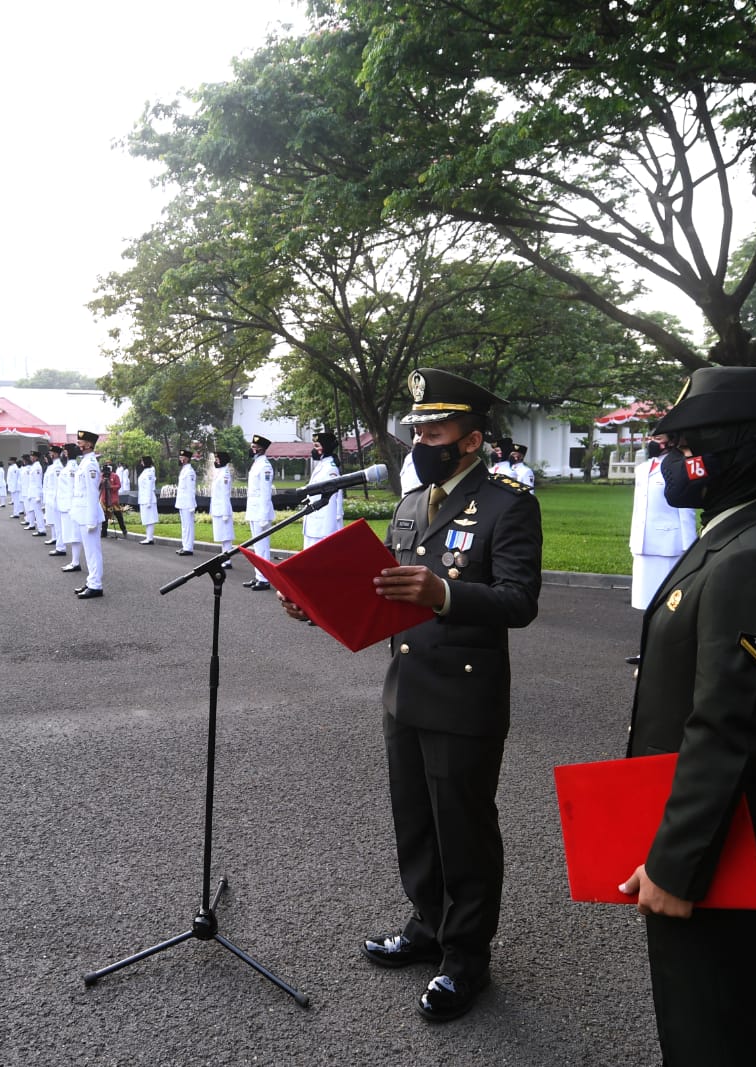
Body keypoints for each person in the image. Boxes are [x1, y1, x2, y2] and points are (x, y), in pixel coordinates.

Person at [278, 368, 540, 1023]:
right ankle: (427, 925)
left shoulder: (508, 503)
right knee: (416, 823)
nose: (422, 437)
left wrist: (446, 594)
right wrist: (317, 604)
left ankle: (465, 959)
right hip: (405, 689)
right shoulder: (409, 502)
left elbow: (519, 600)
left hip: (464, 697)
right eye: (417, 427)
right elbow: (384, 591)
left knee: (464, 833)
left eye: (436, 428)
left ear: (472, 438)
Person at [621, 366, 756, 1065]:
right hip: (707, 826)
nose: (674, 460)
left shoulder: (755, 557)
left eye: (690, 444)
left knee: (708, 1031)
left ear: (746, 450)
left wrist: (678, 864)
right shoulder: (733, 534)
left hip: (722, 844)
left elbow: (728, 724)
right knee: (697, 1019)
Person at [629, 433, 699, 611]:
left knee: (668, 604)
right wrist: (634, 540)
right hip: (644, 543)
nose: (653, 443)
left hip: (669, 544)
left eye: (658, 439)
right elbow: (638, 508)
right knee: (644, 602)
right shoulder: (642, 469)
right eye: (652, 439)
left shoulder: (678, 467)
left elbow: (685, 508)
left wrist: (689, 545)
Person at [72, 431, 106, 598]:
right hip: (83, 513)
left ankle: (96, 586)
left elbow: (93, 493)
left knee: (93, 551)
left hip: (89, 515)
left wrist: (92, 518)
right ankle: (91, 581)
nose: (79, 444)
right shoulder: (84, 462)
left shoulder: (91, 464)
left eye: (81, 441)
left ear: (90, 445)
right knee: (89, 551)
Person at [243, 434, 276, 590]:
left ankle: (265, 579)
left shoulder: (265, 466)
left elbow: (265, 492)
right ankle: (258, 576)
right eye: (252, 447)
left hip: (261, 513)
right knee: (257, 547)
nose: (252, 449)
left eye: (255, 447)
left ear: (261, 449)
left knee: (262, 547)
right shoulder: (256, 464)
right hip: (254, 511)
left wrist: (264, 516)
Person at [301, 431, 343, 550]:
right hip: (314, 524)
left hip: (322, 527)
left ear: (326, 448)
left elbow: (332, 500)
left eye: (317, 446)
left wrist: (329, 530)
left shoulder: (330, 469)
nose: (313, 450)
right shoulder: (322, 465)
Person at [55, 443, 81, 565]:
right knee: (71, 535)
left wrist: (71, 507)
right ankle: (74, 561)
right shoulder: (69, 467)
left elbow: (73, 488)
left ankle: (75, 562)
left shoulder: (72, 468)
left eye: (64, 452)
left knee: (74, 535)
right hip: (66, 505)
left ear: (67, 453)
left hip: (70, 506)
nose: (62, 454)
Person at [208, 451, 236, 566]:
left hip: (223, 509)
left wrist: (225, 512)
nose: (216, 460)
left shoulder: (225, 473)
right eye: (215, 458)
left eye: (218, 458)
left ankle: (227, 560)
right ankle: (225, 558)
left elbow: (225, 493)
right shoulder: (219, 472)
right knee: (222, 536)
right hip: (218, 509)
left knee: (226, 536)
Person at [175, 449, 198, 555]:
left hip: (188, 504)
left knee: (188, 526)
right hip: (182, 502)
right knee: (184, 526)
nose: (180, 459)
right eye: (180, 457)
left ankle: (189, 548)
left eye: (182, 457)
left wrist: (192, 504)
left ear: (187, 459)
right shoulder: (184, 469)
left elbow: (191, 489)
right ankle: (185, 546)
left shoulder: (189, 471)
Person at [136, 456, 159, 544]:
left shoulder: (149, 472)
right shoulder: (145, 471)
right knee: (147, 519)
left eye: (142, 461)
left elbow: (149, 487)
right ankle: (149, 537)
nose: (141, 463)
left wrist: (149, 501)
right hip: (144, 498)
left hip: (148, 499)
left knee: (149, 519)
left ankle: (149, 538)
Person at [100, 463, 126, 539]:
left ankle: (123, 529)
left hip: (113, 500)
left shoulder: (115, 476)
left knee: (119, 515)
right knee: (104, 517)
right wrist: (102, 482)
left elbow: (118, 485)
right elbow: (98, 486)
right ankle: (104, 532)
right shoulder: (101, 476)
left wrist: (111, 486)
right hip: (104, 500)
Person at [43, 444, 63, 542]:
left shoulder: (58, 467)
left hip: (54, 498)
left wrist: (56, 499)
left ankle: (59, 543)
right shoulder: (52, 466)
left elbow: (57, 484)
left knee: (56, 521)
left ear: (55, 454)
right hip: (50, 497)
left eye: (50, 453)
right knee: (51, 520)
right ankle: (54, 538)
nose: (48, 456)